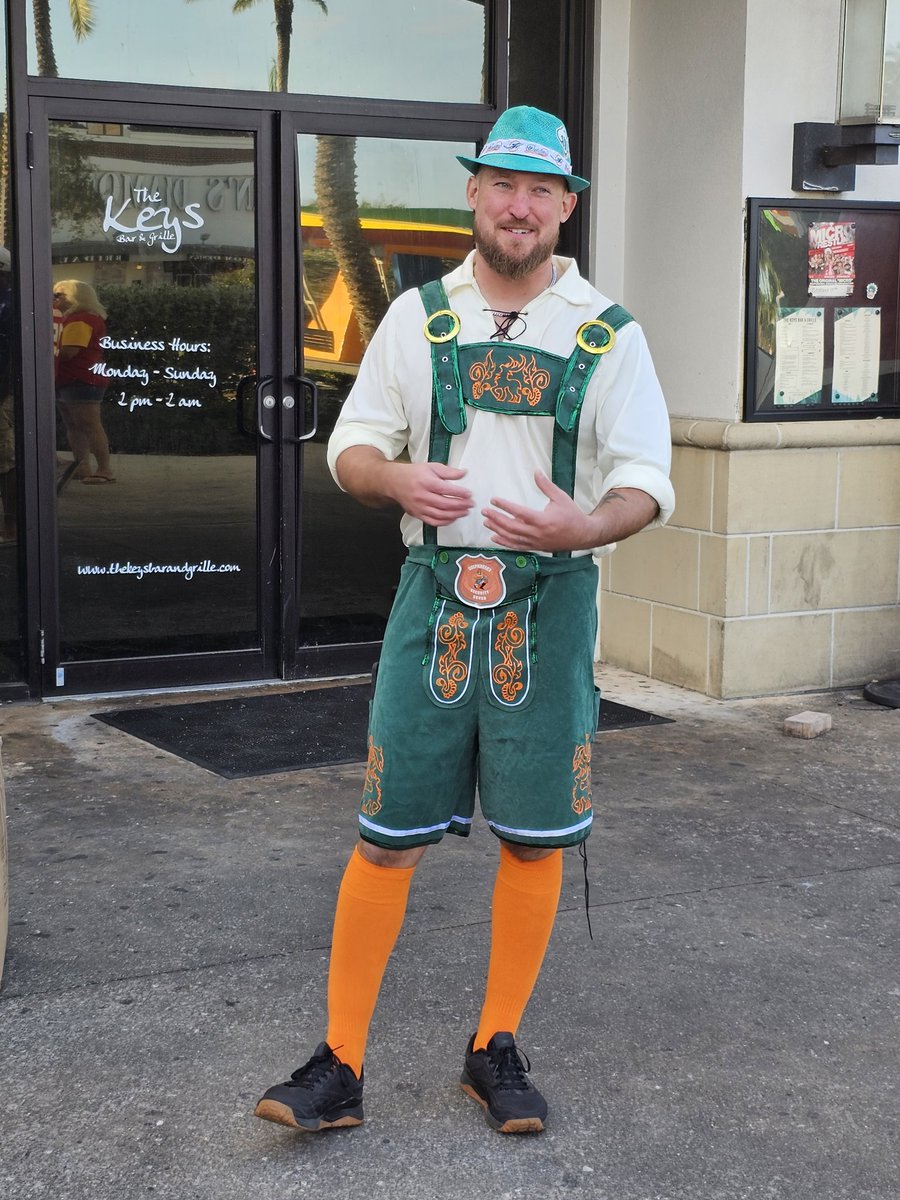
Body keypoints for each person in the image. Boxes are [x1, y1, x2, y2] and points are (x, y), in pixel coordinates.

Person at [255, 106, 675, 1135]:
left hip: (551, 603)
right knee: (386, 837)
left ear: (566, 205)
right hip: (431, 601)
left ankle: (494, 1049)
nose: (518, 205)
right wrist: (394, 474)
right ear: (474, 194)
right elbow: (352, 447)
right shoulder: (415, 317)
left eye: (540, 189)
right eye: (501, 184)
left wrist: (588, 522)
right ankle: (340, 1063)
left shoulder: (606, 330)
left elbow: (648, 479)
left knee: (532, 844)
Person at [54, 279, 115, 483]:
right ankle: (83, 467)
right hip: (77, 378)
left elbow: (69, 352)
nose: (54, 299)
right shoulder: (84, 318)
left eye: (59, 295)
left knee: (88, 424)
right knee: (76, 425)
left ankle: (103, 469)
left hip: (80, 378)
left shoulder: (80, 320)